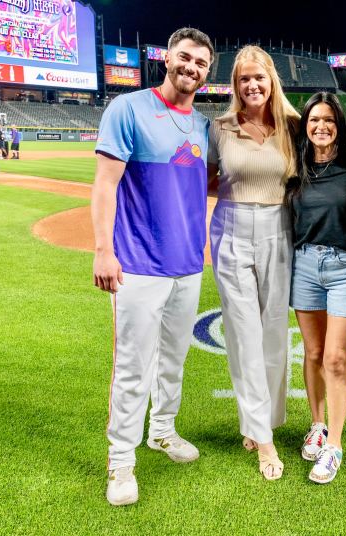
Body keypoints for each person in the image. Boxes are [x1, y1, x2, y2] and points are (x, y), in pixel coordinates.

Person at [91, 27, 213, 506]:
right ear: (168, 58)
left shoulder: (203, 125)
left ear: (207, 72)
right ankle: (121, 461)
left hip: (187, 263)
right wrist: (104, 249)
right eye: (184, 57)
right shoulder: (129, 108)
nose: (191, 67)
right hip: (139, 263)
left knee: (173, 360)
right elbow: (105, 185)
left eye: (200, 63)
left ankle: (162, 430)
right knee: (132, 366)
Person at [207, 45, 299, 481]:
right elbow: (205, 178)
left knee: (274, 332)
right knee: (244, 333)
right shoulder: (220, 127)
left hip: (280, 228)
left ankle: (264, 419)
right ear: (235, 85)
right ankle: (263, 438)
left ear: (271, 80)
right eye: (244, 79)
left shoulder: (292, 127)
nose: (252, 85)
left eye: (259, 77)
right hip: (231, 225)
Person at [285, 92, 346, 484]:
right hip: (304, 266)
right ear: (305, 125)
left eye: (329, 120)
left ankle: (333, 444)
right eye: (314, 119)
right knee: (314, 352)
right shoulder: (295, 167)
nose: (321, 126)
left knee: (336, 359)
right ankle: (317, 424)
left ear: (339, 125)